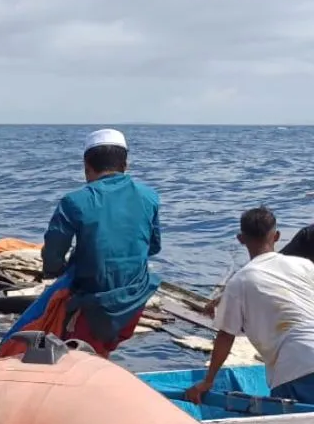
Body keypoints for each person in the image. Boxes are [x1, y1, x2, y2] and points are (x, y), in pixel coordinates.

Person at [34, 128, 161, 356]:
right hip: (134, 299)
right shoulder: (149, 197)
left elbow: (53, 251)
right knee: (101, 351)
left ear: (86, 166)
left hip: (92, 303)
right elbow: (154, 246)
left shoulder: (74, 201)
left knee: (77, 354)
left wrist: (56, 272)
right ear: (126, 164)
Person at [185, 208, 314, 405]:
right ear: (277, 236)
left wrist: (208, 381)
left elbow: (225, 336)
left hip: (296, 369)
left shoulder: (239, 282)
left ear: (240, 239)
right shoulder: (305, 265)